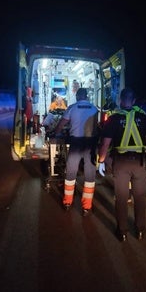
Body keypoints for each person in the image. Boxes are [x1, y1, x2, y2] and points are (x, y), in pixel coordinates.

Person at [98, 87, 146, 241]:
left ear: (121, 100)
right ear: (134, 101)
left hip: (120, 163)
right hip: (140, 163)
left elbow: (105, 144)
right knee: (140, 197)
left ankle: (122, 232)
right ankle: (140, 230)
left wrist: (100, 161)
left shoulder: (113, 119)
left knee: (121, 198)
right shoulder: (143, 117)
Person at [54, 88, 99, 216]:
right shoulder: (94, 109)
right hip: (90, 144)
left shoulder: (72, 108)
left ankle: (67, 202)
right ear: (87, 96)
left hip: (76, 144)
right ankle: (86, 207)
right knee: (90, 176)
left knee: (71, 173)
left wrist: (55, 133)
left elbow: (62, 124)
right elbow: (96, 127)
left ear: (77, 96)